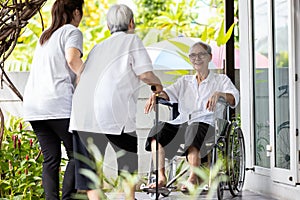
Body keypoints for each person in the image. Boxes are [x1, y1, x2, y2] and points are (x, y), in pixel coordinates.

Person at [69, 4, 162, 199]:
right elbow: (145, 74)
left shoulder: (98, 47)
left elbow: (81, 77)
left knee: (90, 173)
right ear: (131, 23)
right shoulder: (131, 40)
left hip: (82, 113)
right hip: (112, 111)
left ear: (108, 26)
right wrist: (158, 86)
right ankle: (130, 198)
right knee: (127, 159)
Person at [144, 41, 240, 192]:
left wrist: (220, 94)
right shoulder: (184, 81)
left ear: (210, 57)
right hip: (182, 122)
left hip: (207, 126)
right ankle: (161, 177)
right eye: (193, 55)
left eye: (201, 54)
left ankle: (193, 178)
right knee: (158, 130)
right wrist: (157, 94)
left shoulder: (220, 80)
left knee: (193, 129)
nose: (197, 58)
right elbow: (168, 94)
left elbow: (234, 99)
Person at [22, 0, 84, 199]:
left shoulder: (45, 35)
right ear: (76, 12)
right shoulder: (71, 32)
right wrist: (90, 78)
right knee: (78, 155)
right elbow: (73, 60)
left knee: (51, 159)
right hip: (57, 104)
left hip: (34, 107)